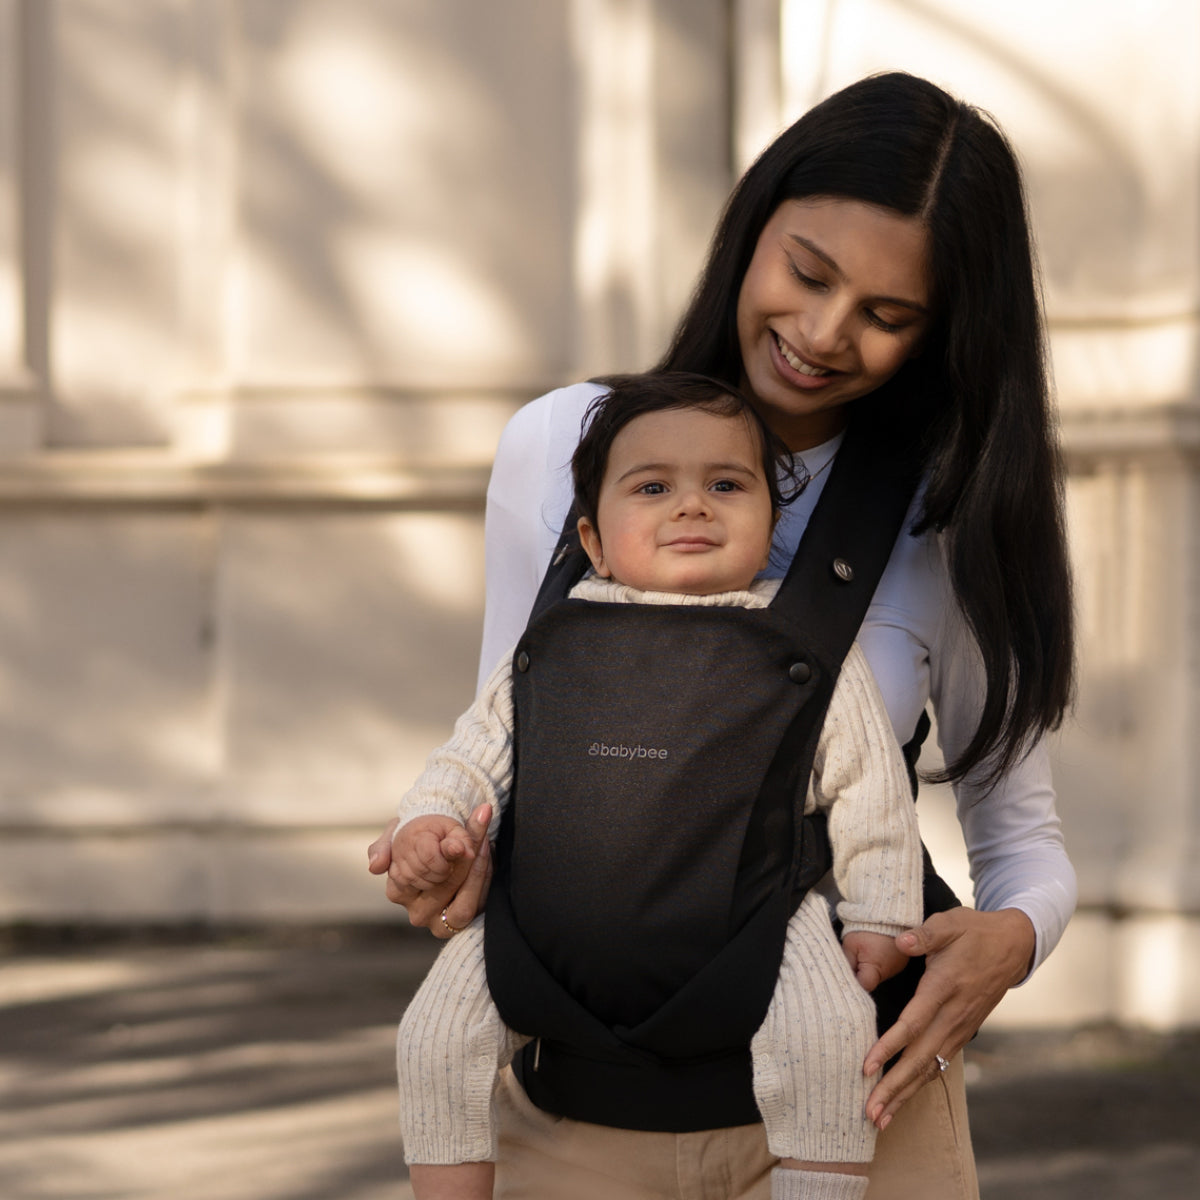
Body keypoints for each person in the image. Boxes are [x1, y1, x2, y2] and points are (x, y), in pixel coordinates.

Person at [369, 71, 1077, 1199]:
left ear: (944, 330)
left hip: (861, 1113)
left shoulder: (949, 514)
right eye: (808, 272)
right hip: (583, 1117)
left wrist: (1015, 940)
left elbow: (1023, 841)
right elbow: (516, 739)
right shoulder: (561, 444)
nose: (823, 334)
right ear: (753, 228)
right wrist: (451, 853)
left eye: (888, 316)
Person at [394, 374, 924, 1200]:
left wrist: (882, 917)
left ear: (772, 525)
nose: (692, 506)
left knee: (834, 1039)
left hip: (755, 922)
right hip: (540, 928)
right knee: (432, 1038)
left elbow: (870, 790)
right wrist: (431, 820)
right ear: (593, 541)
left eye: (727, 485)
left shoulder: (798, 646)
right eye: (652, 488)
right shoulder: (557, 639)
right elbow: (474, 753)